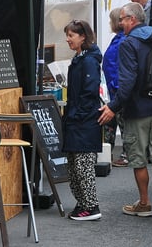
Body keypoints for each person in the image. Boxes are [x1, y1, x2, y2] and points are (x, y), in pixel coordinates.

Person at [98, 2, 152, 222]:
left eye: (122, 18)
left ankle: (144, 203)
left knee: (138, 157)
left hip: (138, 108)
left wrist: (113, 107)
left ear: (132, 19)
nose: (120, 22)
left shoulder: (128, 43)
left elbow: (128, 81)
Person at [62, 19, 103, 220]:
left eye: (71, 35)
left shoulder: (88, 61)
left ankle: (91, 206)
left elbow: (89, 92)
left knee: (82, 166)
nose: (68, 40)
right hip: (77, 120)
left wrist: (77, 115)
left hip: (83, 121)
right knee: (74, 166)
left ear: (82, 36)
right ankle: (83, 204)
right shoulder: (79, 59)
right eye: (67, 35)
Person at [101, 8, 128, 167]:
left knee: (122, 122)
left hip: (117, 89)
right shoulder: (119, 39)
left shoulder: (122, 41)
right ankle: (108, 151)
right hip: (113, 90)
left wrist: (116, 87)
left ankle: (126, 154)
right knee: (111, 122)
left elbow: (117, 66)